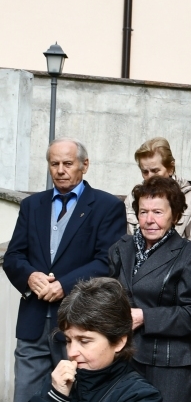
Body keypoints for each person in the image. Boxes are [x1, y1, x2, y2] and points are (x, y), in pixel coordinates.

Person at [3, 138, 127, 402]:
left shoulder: (108, 207)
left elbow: (108, 262)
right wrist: (30, 277)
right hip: (33, 323)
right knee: (25, 396)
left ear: (85, 165)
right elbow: (13, 255)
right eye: (54, 163)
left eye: (67, 163)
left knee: (78, 396)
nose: (60, 170)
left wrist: (65, 285)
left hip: (80, 325)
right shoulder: (31, 205)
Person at [108, 176, 191, 401]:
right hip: (123, 358)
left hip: (168, 365)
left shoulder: (190, 254)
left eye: (158, 212)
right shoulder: (120, 248)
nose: (149, 220)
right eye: (143, 212)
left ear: (174, 215)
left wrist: (145, 316)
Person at [29, 278, 163, 402]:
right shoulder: (58, 381)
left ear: (118, 342)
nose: (71, 353)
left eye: (84, 341)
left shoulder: (141, 396)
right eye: (68, 341)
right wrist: (55, 395)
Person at [124, 137, 191, 248]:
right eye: (145, 172)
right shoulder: (133, 198)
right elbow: (127, 244)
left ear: (170, 168)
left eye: (155, 171)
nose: (150, 177)